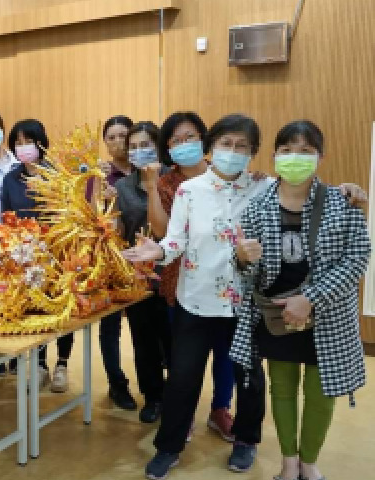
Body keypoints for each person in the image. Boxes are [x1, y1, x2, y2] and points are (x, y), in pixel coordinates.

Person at [122, 114, 368, 479]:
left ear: (254, 152)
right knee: (183, 377)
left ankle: (246, 440)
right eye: (226, 144)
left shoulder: (264, 186)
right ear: (211, 147)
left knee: (250, 378)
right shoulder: (190, 191)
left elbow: (306, 191)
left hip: (248, 303)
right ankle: (168, 447)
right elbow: (176, 239)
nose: (233, 151)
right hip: (197, 300)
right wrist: (158, 251)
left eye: (242, 146)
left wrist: (346, 189)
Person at [230, 120, 370, 480]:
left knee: (322, 391)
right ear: (275, 156)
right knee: (282, 389)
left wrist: (310, 298)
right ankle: (289, 463)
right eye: (287, 150)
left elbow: (357, 257)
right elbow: (248, 273)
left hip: (328, 315)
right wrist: (243, 259)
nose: (295, 157)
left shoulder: (342, 202)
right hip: (277, 317)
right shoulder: (257, 207)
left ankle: (309, 461)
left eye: (305, 151)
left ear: (320, 157)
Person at [145, 111, 237, 442]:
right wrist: (151, 187)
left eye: (190, 137)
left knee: (226, 353)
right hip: (180, 281)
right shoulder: (168, 184)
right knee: (184, 358)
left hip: (226, 282)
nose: (184, 145)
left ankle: (220, 408)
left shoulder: (227, 173)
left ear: (204, 139)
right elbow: (161, 232)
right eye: (176, 140)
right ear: (167, 148)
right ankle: (182, 415)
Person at [111, 121, 172, 423]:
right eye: (133, 147)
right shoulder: (123, 187)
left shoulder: (174, 181)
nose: (138, 152)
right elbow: (120, 231)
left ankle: (177, 399)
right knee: (143, 341)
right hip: (139, 277)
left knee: (174, 343)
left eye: (145, 145)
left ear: (159, 147)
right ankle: (153, 397)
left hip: (173, 274)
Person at [0, 119, 66, 390]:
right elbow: (6, 216)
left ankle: (62, 364)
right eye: (18, 142)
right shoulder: (11, 179)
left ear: (41, 143)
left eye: (29, 141)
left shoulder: (57, 175)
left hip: (57, 251)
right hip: (25, 254)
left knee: (62, 307)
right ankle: (39, 365)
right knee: (35, 308)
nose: (23, 147)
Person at [95, 115, 139, 411]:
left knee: (144, 326)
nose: (117, 142)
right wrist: (101, 199)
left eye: (123, 135)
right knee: (110, 326)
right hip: (111, 260)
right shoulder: (100, 176)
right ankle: (116, 383)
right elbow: (88, 217)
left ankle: (152, 383)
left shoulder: (147, 171)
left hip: (146, 261)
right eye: (110, 137)